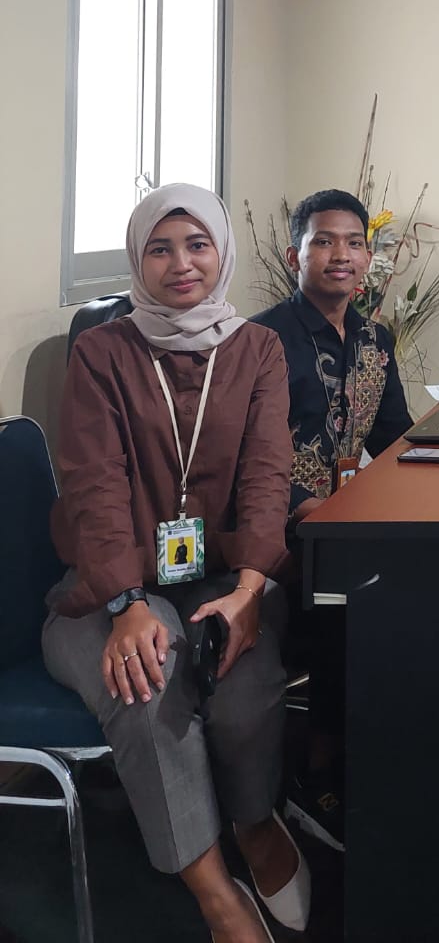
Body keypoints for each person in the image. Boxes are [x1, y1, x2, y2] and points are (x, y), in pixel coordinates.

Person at [43, 184, 308, 943]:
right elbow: (95, 485)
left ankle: (254, 824)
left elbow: (267, 475)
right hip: (102, 586)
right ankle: (215, 892)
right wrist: (126, 604)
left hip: (224, 578)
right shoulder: (103, 353)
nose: (181, 263)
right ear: (138, 260)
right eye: (160, 248)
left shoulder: (257, 349)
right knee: (143, 680)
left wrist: (251, 590)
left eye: (197, 245)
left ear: (222, 252)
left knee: (245, 685)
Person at [254, 187, 412, 851]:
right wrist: (302, 505)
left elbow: (397, 436)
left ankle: (393, 743)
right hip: (280, 522)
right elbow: (245, 454)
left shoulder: (375, 337)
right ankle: (317, 771)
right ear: (296, 255)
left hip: (347, 516)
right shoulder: (261, 341)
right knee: (353, 597)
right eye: (323, 241)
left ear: (369, 257)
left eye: (353, 242)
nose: (340, 255)